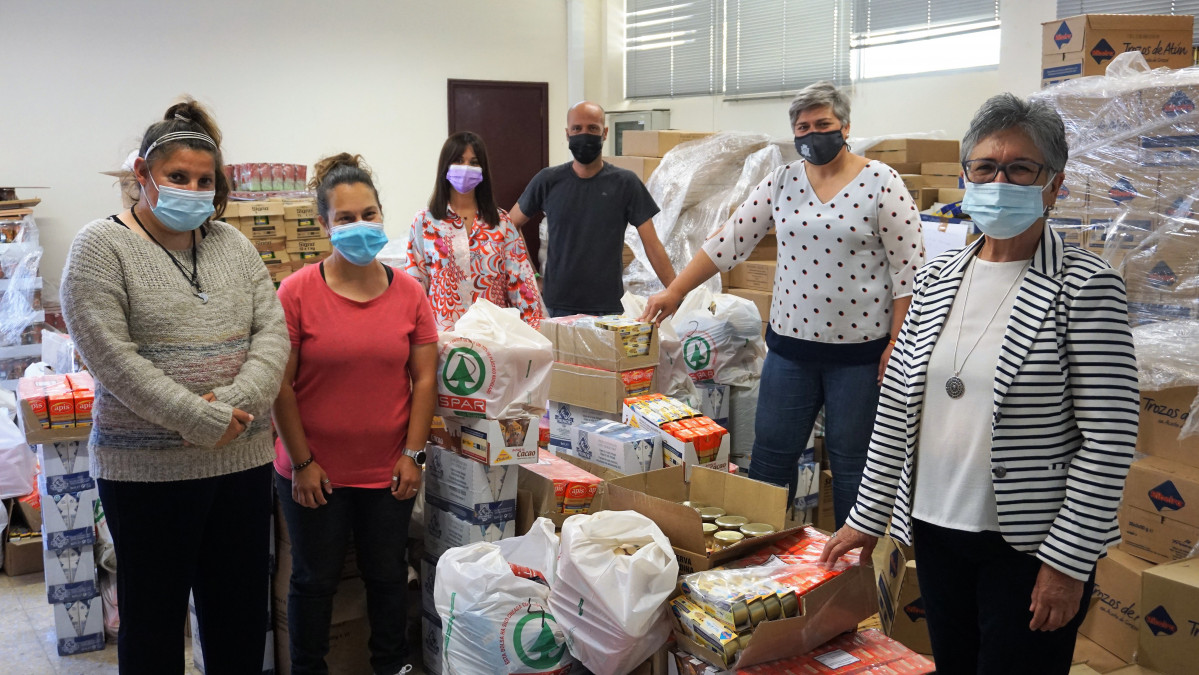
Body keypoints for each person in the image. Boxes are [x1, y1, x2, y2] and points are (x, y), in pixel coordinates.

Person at [820, 94, 1140, 674]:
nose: (1000, 180)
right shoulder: (939, 277)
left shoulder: (1085, 286)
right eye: (985, 167)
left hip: (1028, 543)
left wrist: (1068, 564)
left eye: (1021, 168)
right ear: (966, 174)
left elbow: (1110, 440)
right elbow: (897, 408)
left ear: (1054, 184)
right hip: (936, 529)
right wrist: (866, 519)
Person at [59, 99, 289, 673]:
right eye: (177, 177)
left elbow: (272, 336)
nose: (193, 189)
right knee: (154, 624)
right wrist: (198, 418)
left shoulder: (233, 246)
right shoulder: (99, 248)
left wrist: (230, 407)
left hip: (241, 463)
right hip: (147, 475)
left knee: (237, 618)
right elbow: (112, 359)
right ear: (143, 175)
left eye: (204, 180)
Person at [643, 81, 924, 528]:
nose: (813, 134)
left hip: (860, 358)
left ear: (845, 126)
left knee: (854, 465)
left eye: (823, 125)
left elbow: (909, 272)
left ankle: (852, 573)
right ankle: (761, 556)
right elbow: (728, 243)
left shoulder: (881, 181)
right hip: (790, 354)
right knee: (771, 460)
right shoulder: (782, 181)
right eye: (803, 127)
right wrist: (675, 291)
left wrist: (897, 340)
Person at [273, 153, 437, 675]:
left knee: (388, 576)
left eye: (369, 214)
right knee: (314, 580)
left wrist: (413, 455)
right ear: (324, 225)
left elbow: (425, 379)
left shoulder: (410, 293)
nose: (360, 227)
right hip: (313, 472)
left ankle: (392, 666)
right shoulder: (296, 292)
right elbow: (280, 382)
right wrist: (302, 463)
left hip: (386, 471)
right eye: (345, 218)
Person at [510, 100, 676, 317]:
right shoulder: (548, 180)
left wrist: (676, 293)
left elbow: (652, 246)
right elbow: (511, 225)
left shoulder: (625, 183)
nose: (584, 134)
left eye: (592, 128)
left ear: (605, 133)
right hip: (557, 306)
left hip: (608, 308)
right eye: (577, 129)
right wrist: (533, 278)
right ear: (567, 134)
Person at [405, 131, 546, 330]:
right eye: (459, 160)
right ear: (445, 166)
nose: (466, 168)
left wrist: (536, 334)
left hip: (495, 338)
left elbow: (521, 282)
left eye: (473, 162)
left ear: (483, 170)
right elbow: (415, 285)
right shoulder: (425, 222)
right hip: (442, 339)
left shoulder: (501, 222)